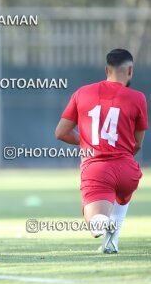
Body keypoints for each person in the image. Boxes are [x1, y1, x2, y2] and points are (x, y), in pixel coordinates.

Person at [55, 48, 148, 253]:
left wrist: (87, 142)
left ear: (106, 69)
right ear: (130, 70)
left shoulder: (82, 93)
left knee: (96, 223)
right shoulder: (138, 98)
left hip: (96, 168)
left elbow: (61, 132)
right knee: (123, 197)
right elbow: (138, 143)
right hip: (127, 169)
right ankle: (112, 241)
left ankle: (104, 227)